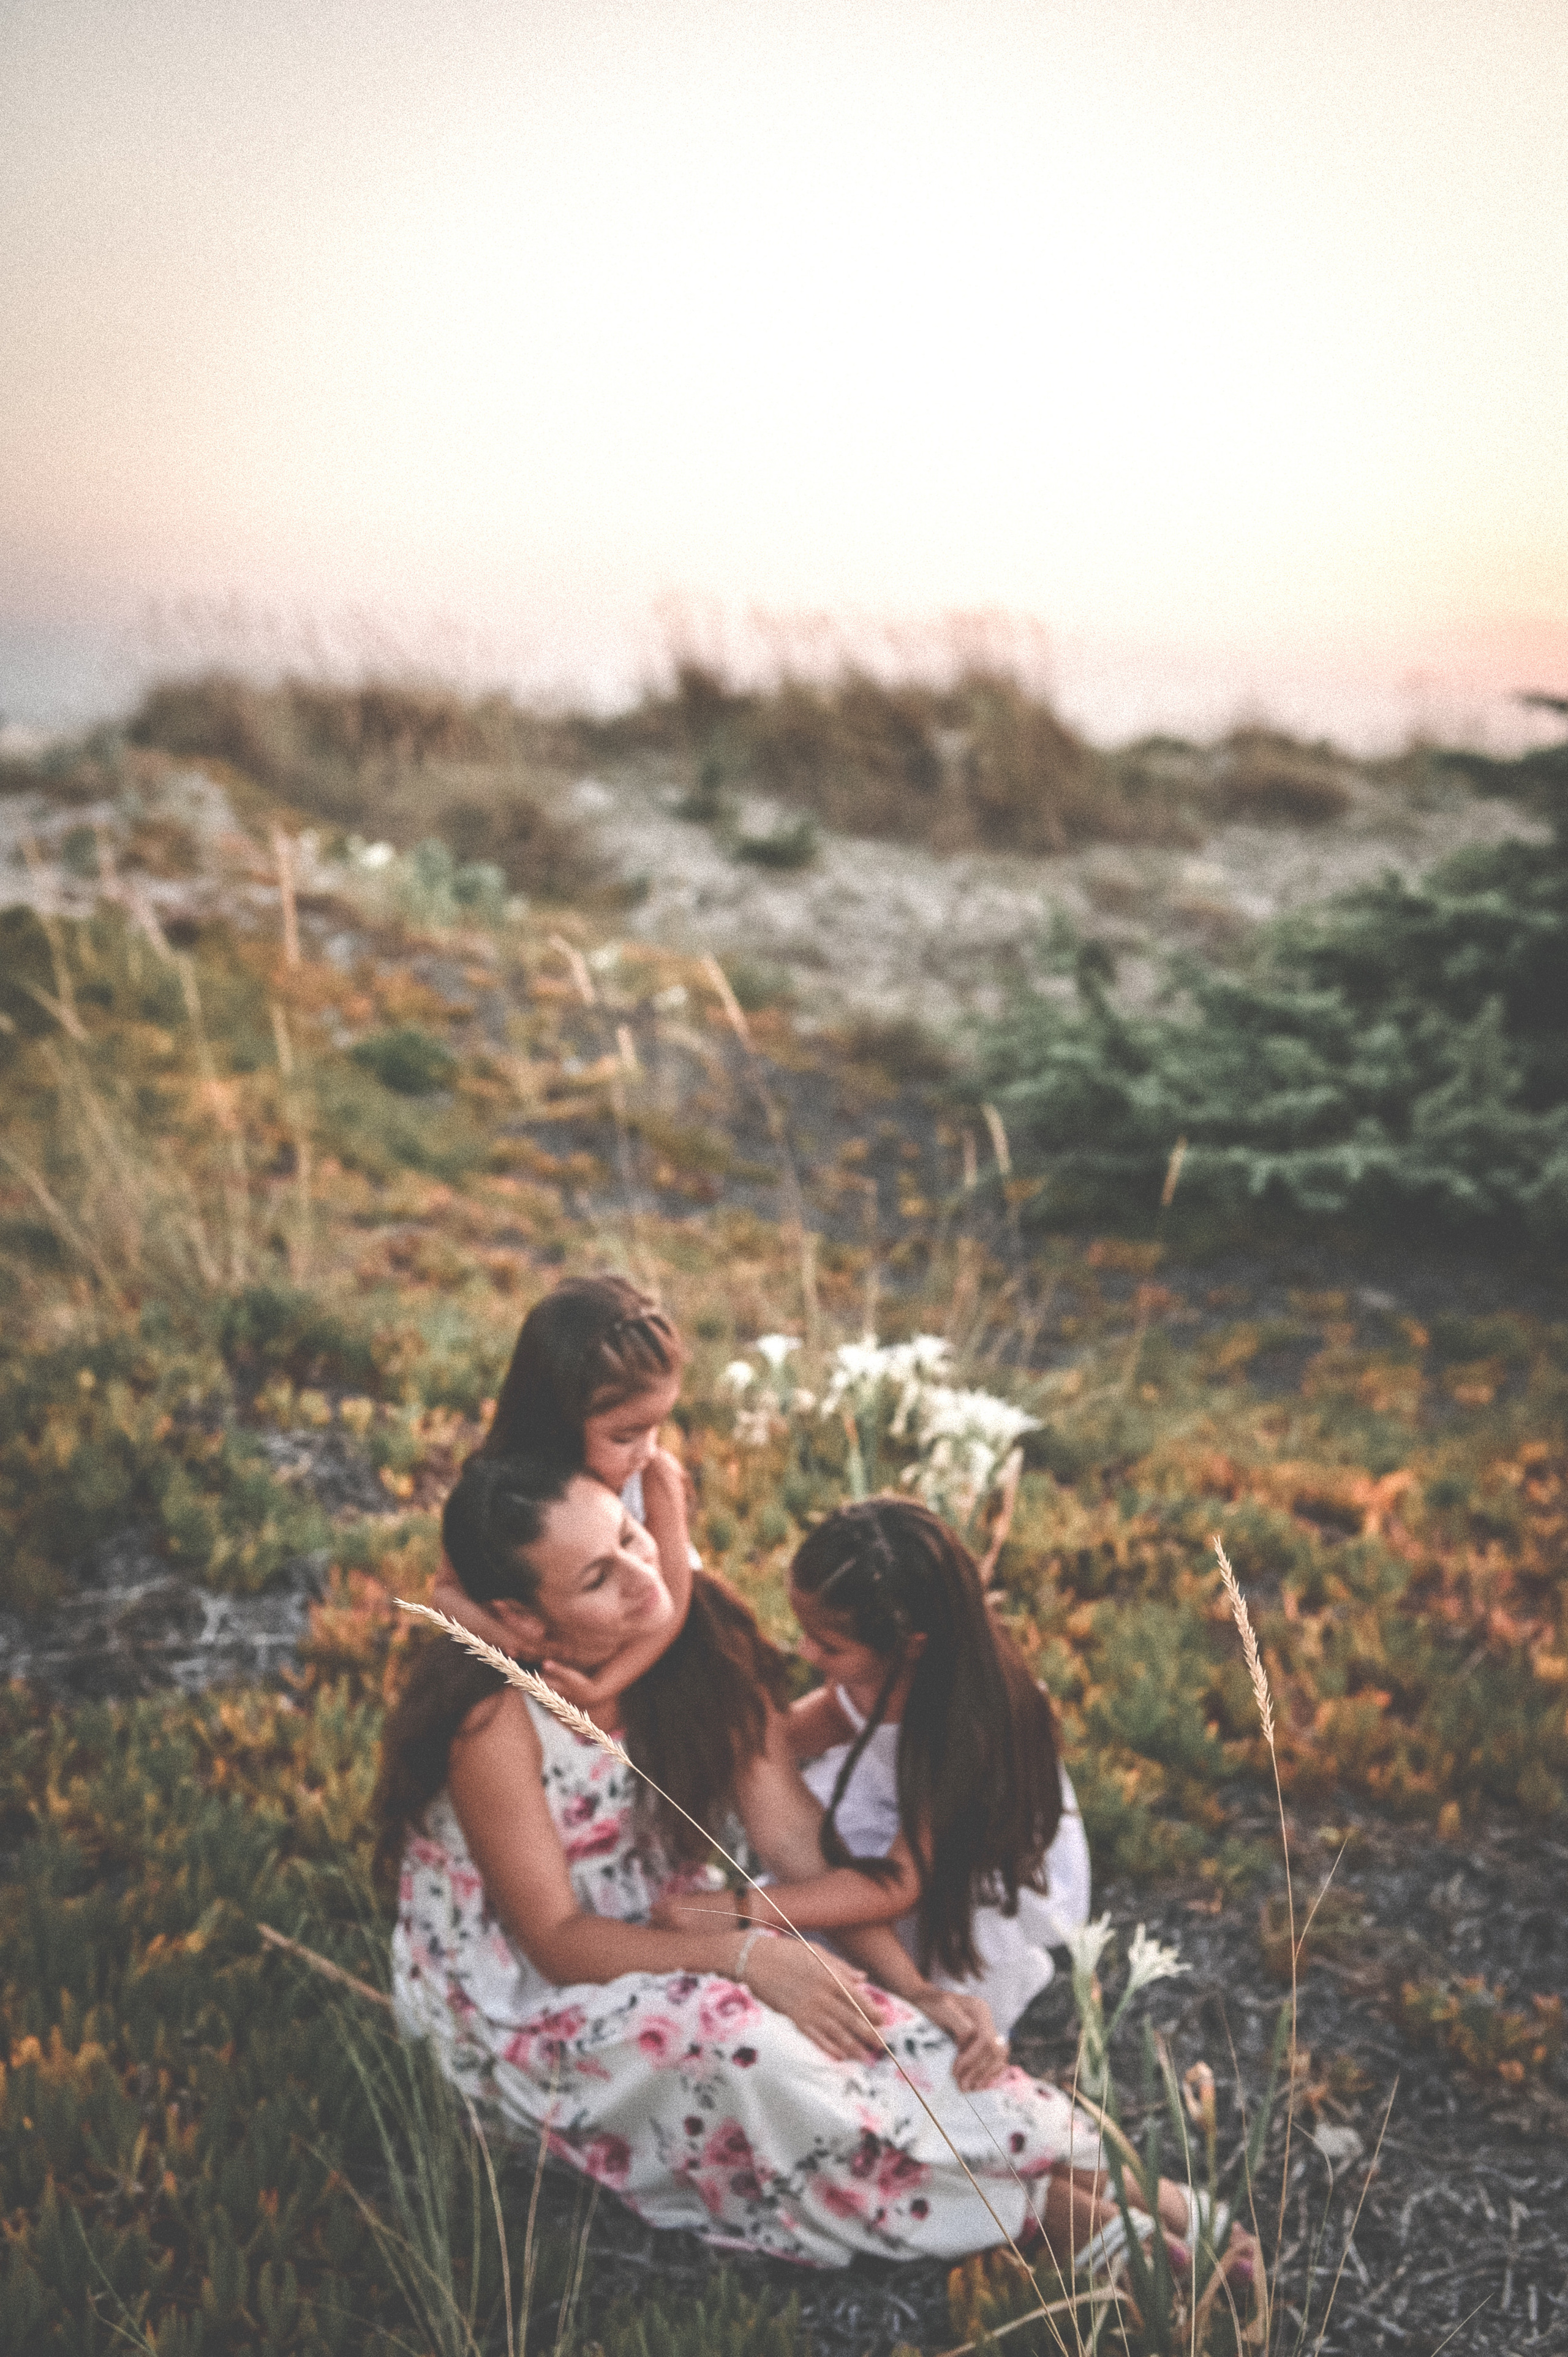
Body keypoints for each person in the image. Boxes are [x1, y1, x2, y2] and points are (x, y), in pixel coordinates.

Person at [377, 1450, 1221, 2272]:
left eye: (633, 1536)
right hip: (533, 1992)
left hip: (688, 1924)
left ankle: (1097, 2173)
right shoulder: (494, 1720)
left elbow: (798, 1849)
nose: (645, 1577)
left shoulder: (700, 1638)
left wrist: (914, 1990)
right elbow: (556, 1941)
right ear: (521, 1619)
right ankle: (1042, 2213)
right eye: (598, 1577)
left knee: (846, 2009)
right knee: (738, 2042)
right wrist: (749, 1953)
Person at [653, 1499, 1091, 2044]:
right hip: (889, 1813)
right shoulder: (876, 1669)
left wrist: (741, 1910)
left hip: (952, 1855)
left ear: (911, 1647)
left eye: (829, 1645)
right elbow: (839, 1711)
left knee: (894, 2003)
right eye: (804, 1630)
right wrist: (754, 1740)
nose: (807, 1650)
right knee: (817, 1916)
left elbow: (900, 1884)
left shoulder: (972, 1727)